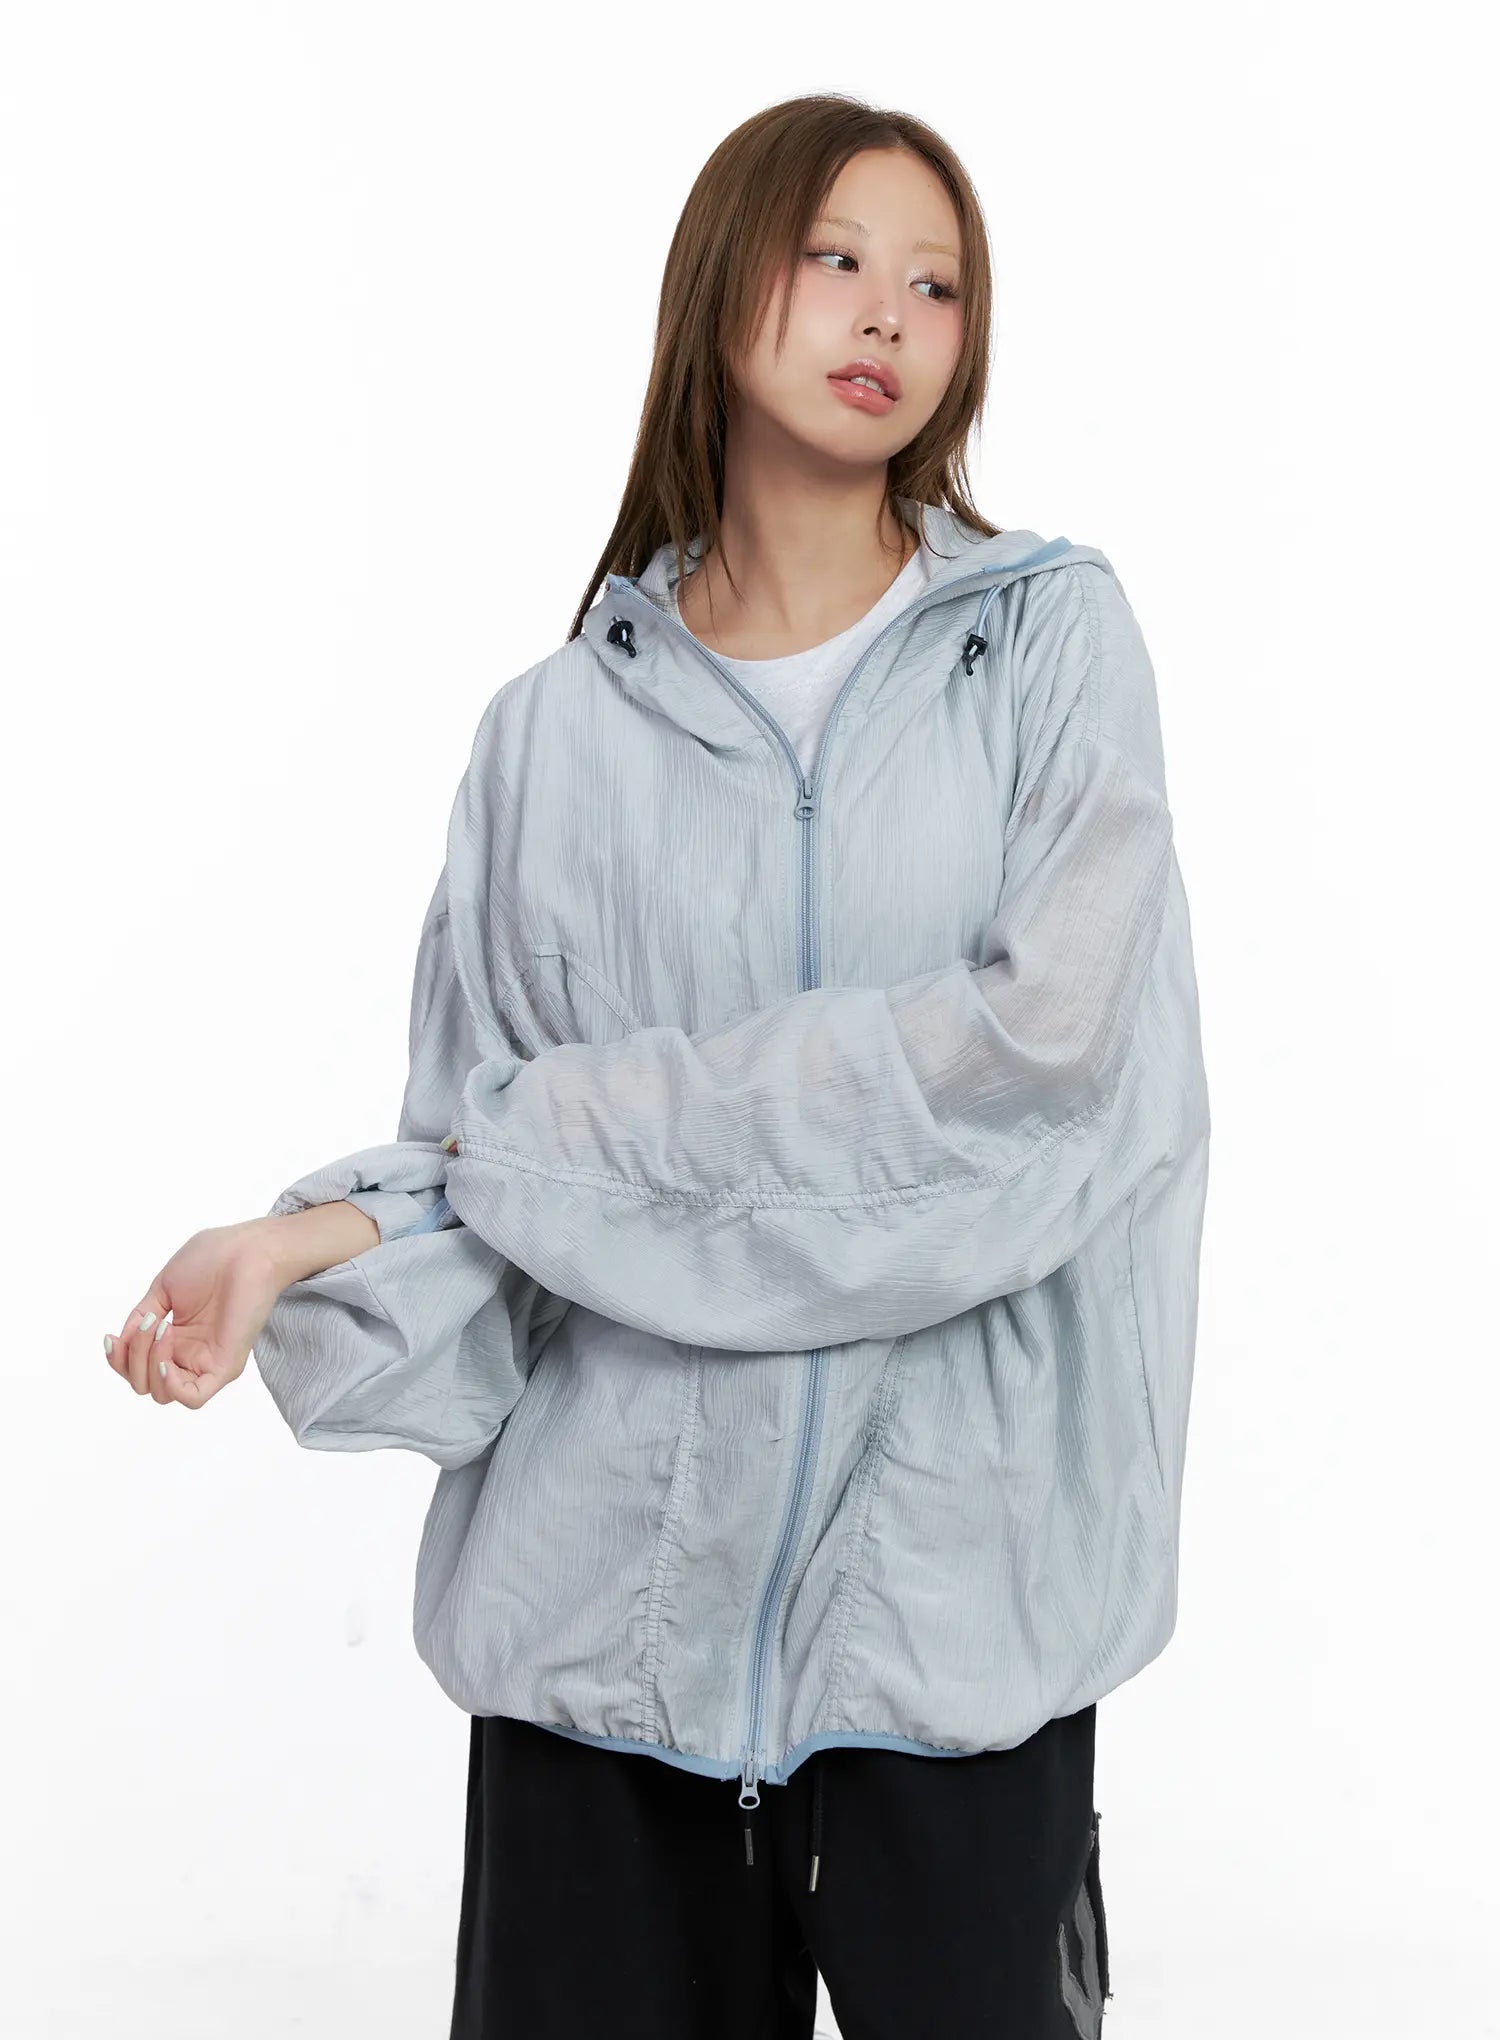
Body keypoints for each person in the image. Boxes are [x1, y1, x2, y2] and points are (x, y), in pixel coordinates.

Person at [105, 92, 1209, 2040]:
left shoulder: (1048, 650)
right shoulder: (551, 738)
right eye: (836, 257)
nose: (888, 313)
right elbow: (495, 1186)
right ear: (721, 285)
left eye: (937, 283)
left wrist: (544, 1152)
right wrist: (310, 1240)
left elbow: (1036, 1085)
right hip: (601, 1648)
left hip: (960, 1630)